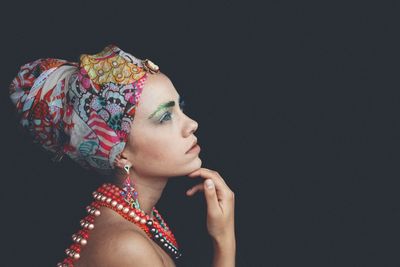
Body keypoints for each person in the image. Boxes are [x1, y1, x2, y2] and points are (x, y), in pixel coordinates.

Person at [8, 44, 236, 267]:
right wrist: (224, 239)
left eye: (181, 108)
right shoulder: (126, 247)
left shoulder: (134, 221)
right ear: (120, 153)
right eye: (165, 117)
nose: (192, 124)